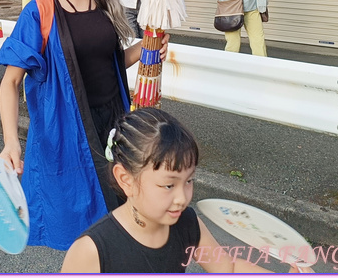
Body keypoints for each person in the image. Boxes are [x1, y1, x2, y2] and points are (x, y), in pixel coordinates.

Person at [0, 0, 169, 250]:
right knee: (81, 223)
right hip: (66, 129)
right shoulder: (40, 11)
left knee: (120, 214)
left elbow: (110, 63)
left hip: (115, 122)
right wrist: (11, 140)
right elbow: (10, 82)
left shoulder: (103, 2)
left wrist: (148, 47)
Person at [61, 108, 307, 273]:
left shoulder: (187, 223)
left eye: (189, 181)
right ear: (126, 179)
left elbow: (228, 267)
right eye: (168, 185)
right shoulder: (93, 250)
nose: (183, 198)